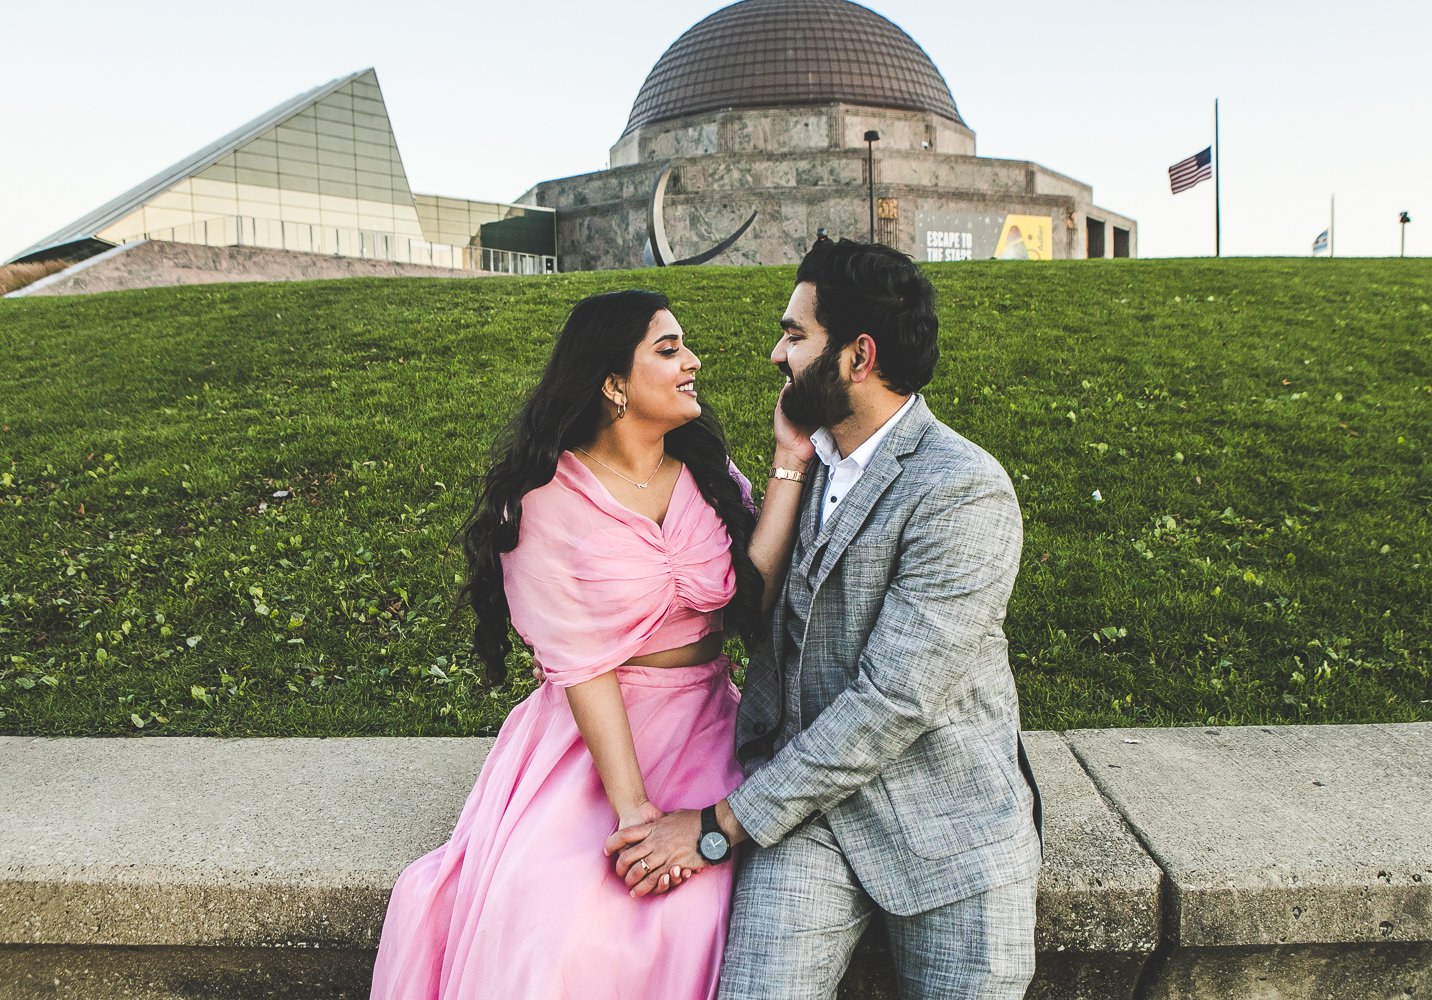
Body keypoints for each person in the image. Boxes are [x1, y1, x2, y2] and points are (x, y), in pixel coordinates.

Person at [607, 240, 1044, 999]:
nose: (777, 354)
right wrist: (785, 464)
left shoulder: (963, 490)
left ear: (858, 356)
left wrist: (716, 825)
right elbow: (753, 611)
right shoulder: (802, 464)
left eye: (796, 334)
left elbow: (893, 702)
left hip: (947, 827)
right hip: (806, 820)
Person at [368, 289, 812, 1000]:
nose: (693, 362)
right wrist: (634, 813)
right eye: (668, 351)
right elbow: (584, 669)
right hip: (595, 739)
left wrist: (789, 458)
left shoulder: (704, 473)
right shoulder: (547, 501)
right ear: (612, 382)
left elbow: (750, 598)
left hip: (709, 724)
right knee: (562, 924)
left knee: (699, 908)